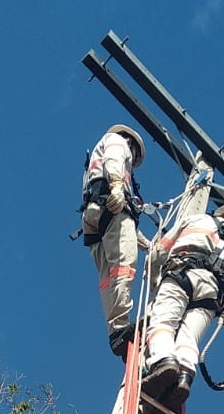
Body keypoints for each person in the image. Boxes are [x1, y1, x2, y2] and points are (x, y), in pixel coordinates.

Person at [141, 203, 224, 414]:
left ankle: (163, 362)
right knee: (189, 338)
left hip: (180, 273)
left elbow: (158, 253)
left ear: (219, 213)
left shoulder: (195, 220)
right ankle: (183, 378)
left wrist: (155, 284)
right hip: (211, 292)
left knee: (162, 324)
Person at [81, 124, 150, 357]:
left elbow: (126, 231)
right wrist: (119, 186)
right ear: (131, 143)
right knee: (124, 266)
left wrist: (147, 244)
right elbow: (114, 159)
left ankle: (115, 330)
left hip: (95, 214)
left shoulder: (97, 155)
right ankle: (120, 328)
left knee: (108, 278)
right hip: (112, 206)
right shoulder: (117, 142)